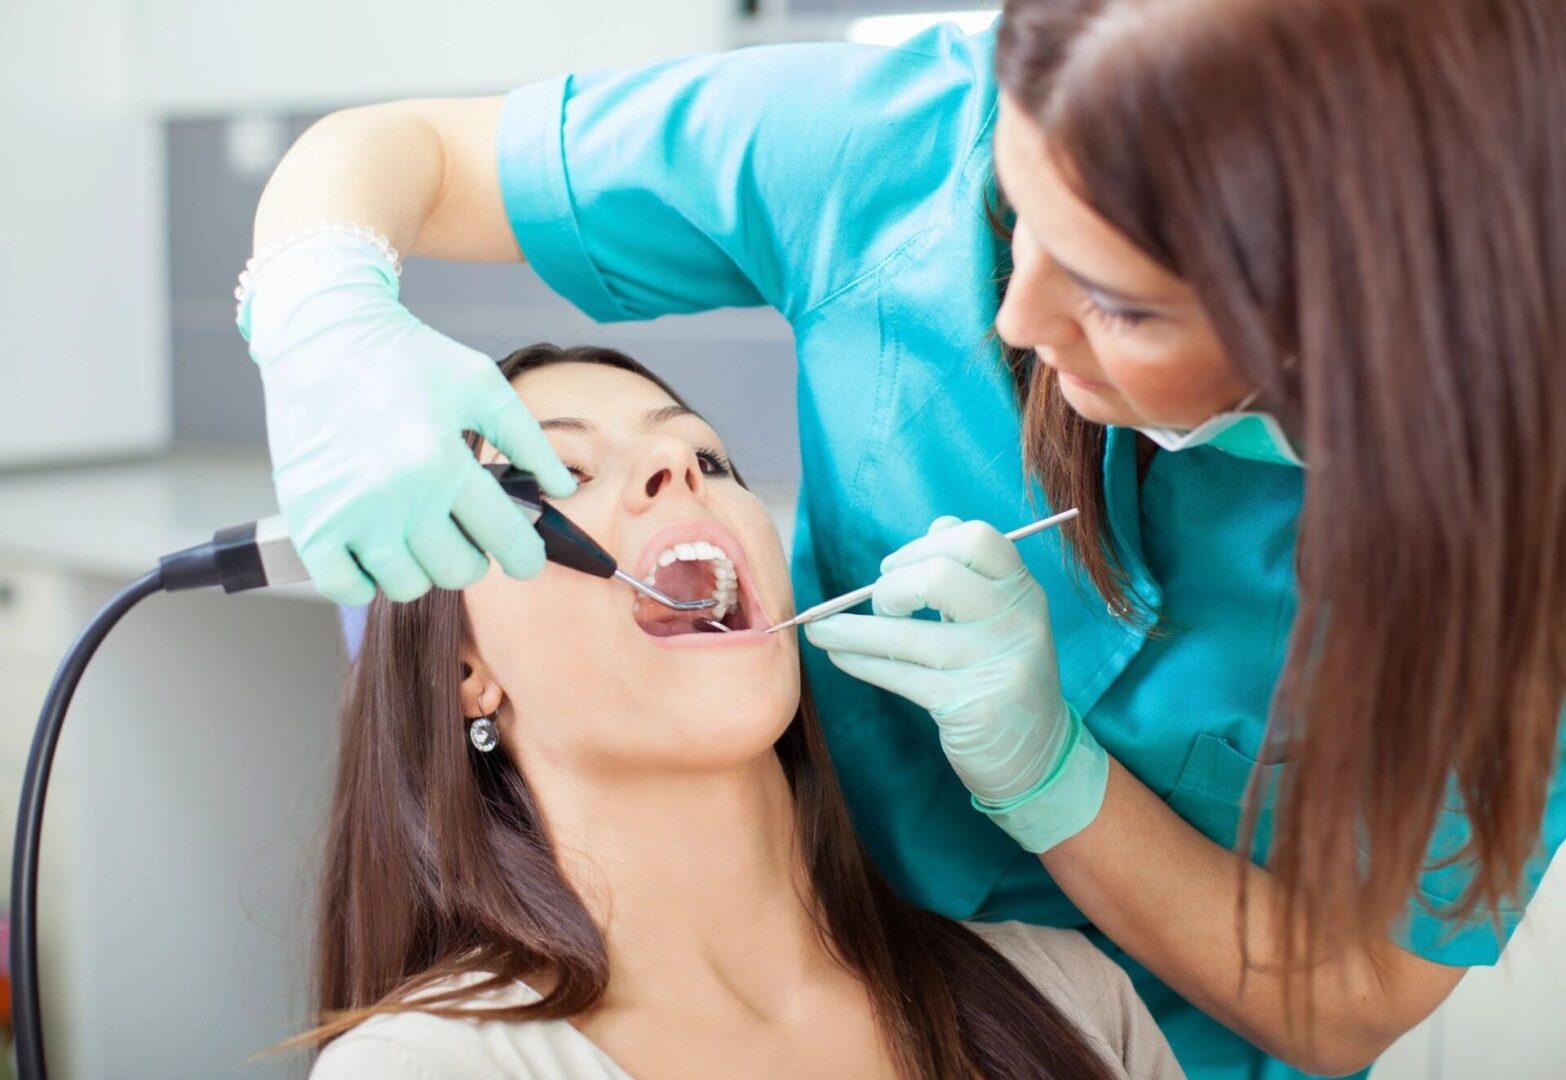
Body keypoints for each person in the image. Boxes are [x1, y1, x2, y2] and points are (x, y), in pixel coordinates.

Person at [239, 2, 1566, 1075]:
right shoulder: (899, 147)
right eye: (1012, 215)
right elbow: (397, 152)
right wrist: (319, 317)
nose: (1011, 316)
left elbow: (1345, 996)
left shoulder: (1072, 1006)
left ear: (1348, 340)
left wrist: (1056, 783)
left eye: (1115, 303)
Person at [302, 343, 1182, 1080]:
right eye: (559, 472)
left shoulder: (1073, 1000)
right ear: (464, 669)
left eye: (710, 460)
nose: (676, 466)